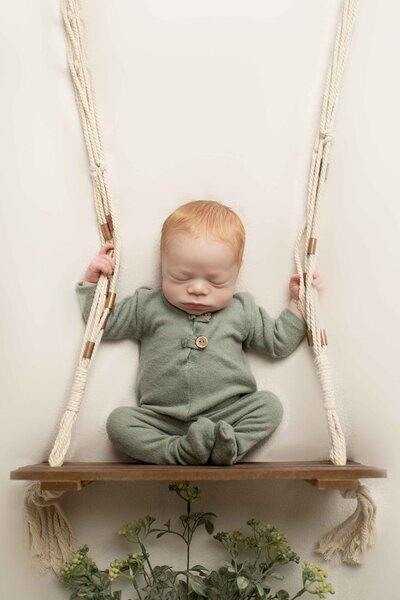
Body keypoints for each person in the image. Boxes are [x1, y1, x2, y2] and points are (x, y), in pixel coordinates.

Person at [76, 200, 321, 465]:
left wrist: (298, 304)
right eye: (182, 277)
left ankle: (230, 446)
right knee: (119, 423)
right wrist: (92, 283)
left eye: (215, 281)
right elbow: (103, 323)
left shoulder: (242, 310)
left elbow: (278, 342)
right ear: (163, 265)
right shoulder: (147, 305)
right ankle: (178, 451)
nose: (198, 289)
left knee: (270, 406)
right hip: (161, 418)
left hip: (228, 415)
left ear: (236, 273)